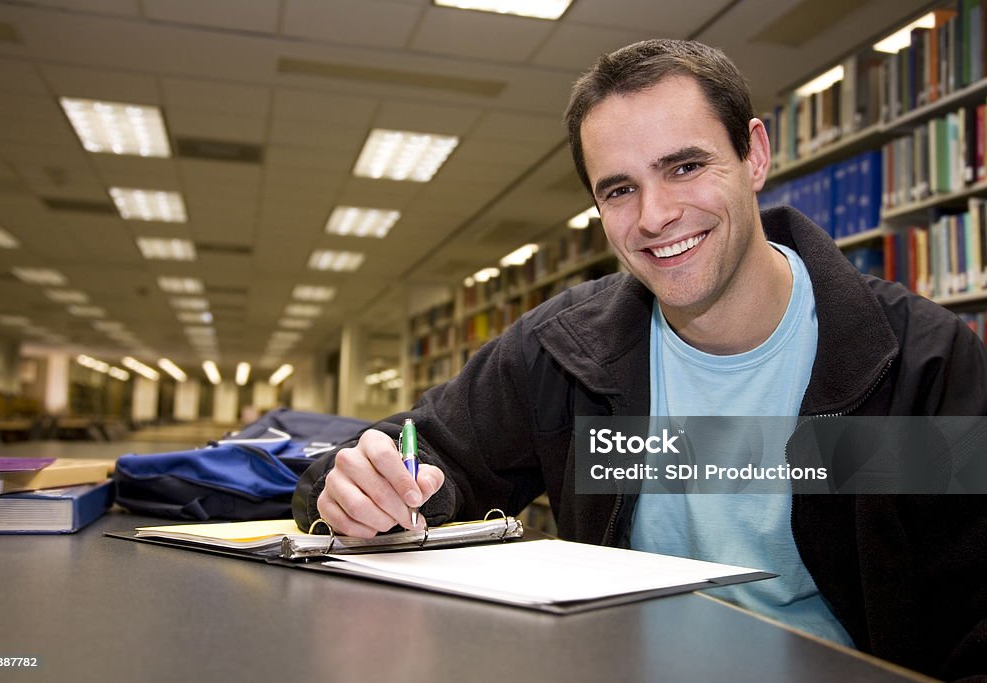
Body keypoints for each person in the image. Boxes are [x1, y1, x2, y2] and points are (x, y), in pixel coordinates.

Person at [292, 39, 987, 680]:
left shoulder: (915, 363)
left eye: (684, 167)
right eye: (619, 189)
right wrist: (361, 487)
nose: (654, 216)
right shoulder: (563, 352)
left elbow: (971, 620)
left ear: (754, 154)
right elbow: (414, 455)